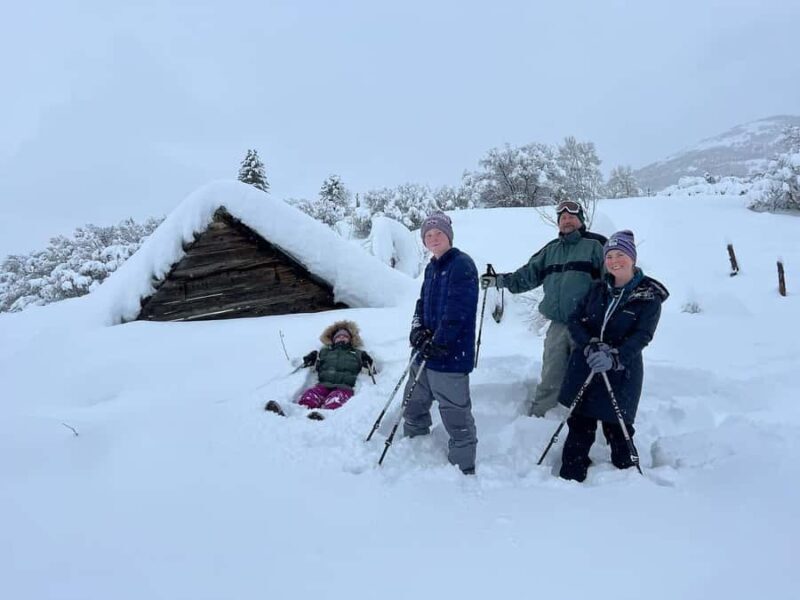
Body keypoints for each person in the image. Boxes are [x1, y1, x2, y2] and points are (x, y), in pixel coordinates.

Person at [557, 230, 669, 482]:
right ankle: (568, 482)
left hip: (621, 372)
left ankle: (628, 484)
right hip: (587, 365)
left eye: (620, 255)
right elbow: (575, 320)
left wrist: (615, 356)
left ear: (632, 258)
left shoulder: (648, 297)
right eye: (609, 256)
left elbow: (642, 335)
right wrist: (588, 344)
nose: (614, 261)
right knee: (580, 425)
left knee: (618, 429)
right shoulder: (598, 288)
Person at [480, 199, 606, 417]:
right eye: (563, 218)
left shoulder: (596, 245)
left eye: (571, 217)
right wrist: (498, 280)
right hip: (558, 326)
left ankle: (588, 423)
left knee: (589, 377)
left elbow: (614, 279)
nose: (567, 221)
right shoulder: (551, 250)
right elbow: (526, 276)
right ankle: (539, 418)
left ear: (581, 221)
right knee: (551, 375)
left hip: (588, 326)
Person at [405, 211, 479, 475]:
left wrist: (438, 341)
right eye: (428, 235)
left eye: (438, 233)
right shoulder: (431, 267)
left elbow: (458, 309)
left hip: (450, 356)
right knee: (413, 401)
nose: (433, 238)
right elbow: (422, 302)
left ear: (449, 236)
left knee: (455, 413)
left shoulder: (461, 264)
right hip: (424, 352)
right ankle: (413, 447)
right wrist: (417, 330)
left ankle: (462, 466)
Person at [265, 320, 374, 419]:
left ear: (350, 339)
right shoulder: (324, 352)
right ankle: (292, 414)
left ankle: (324, 418)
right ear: (333, 339)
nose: (341, 338)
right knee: (310, 396)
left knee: (335, 401)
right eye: (338, 336)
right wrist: (310, 359)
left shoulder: (357, 353)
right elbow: (314, 365)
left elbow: (370, 371)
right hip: (323, 385)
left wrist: (367, 362)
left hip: (344, 387)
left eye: (345, 336)